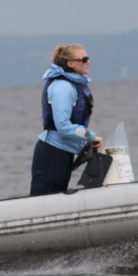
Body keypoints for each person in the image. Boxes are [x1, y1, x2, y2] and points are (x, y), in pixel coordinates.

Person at [30, 43, 102, 196]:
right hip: (51, 153)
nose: (88, 61)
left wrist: (88, 141)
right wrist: (90, 136)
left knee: (56, 198)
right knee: (44, 201)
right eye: (84, 59)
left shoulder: (72, 85)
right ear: (70, 63)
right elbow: (63, 126)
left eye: (88, 58)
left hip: (62, 152)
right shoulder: (63, 87)